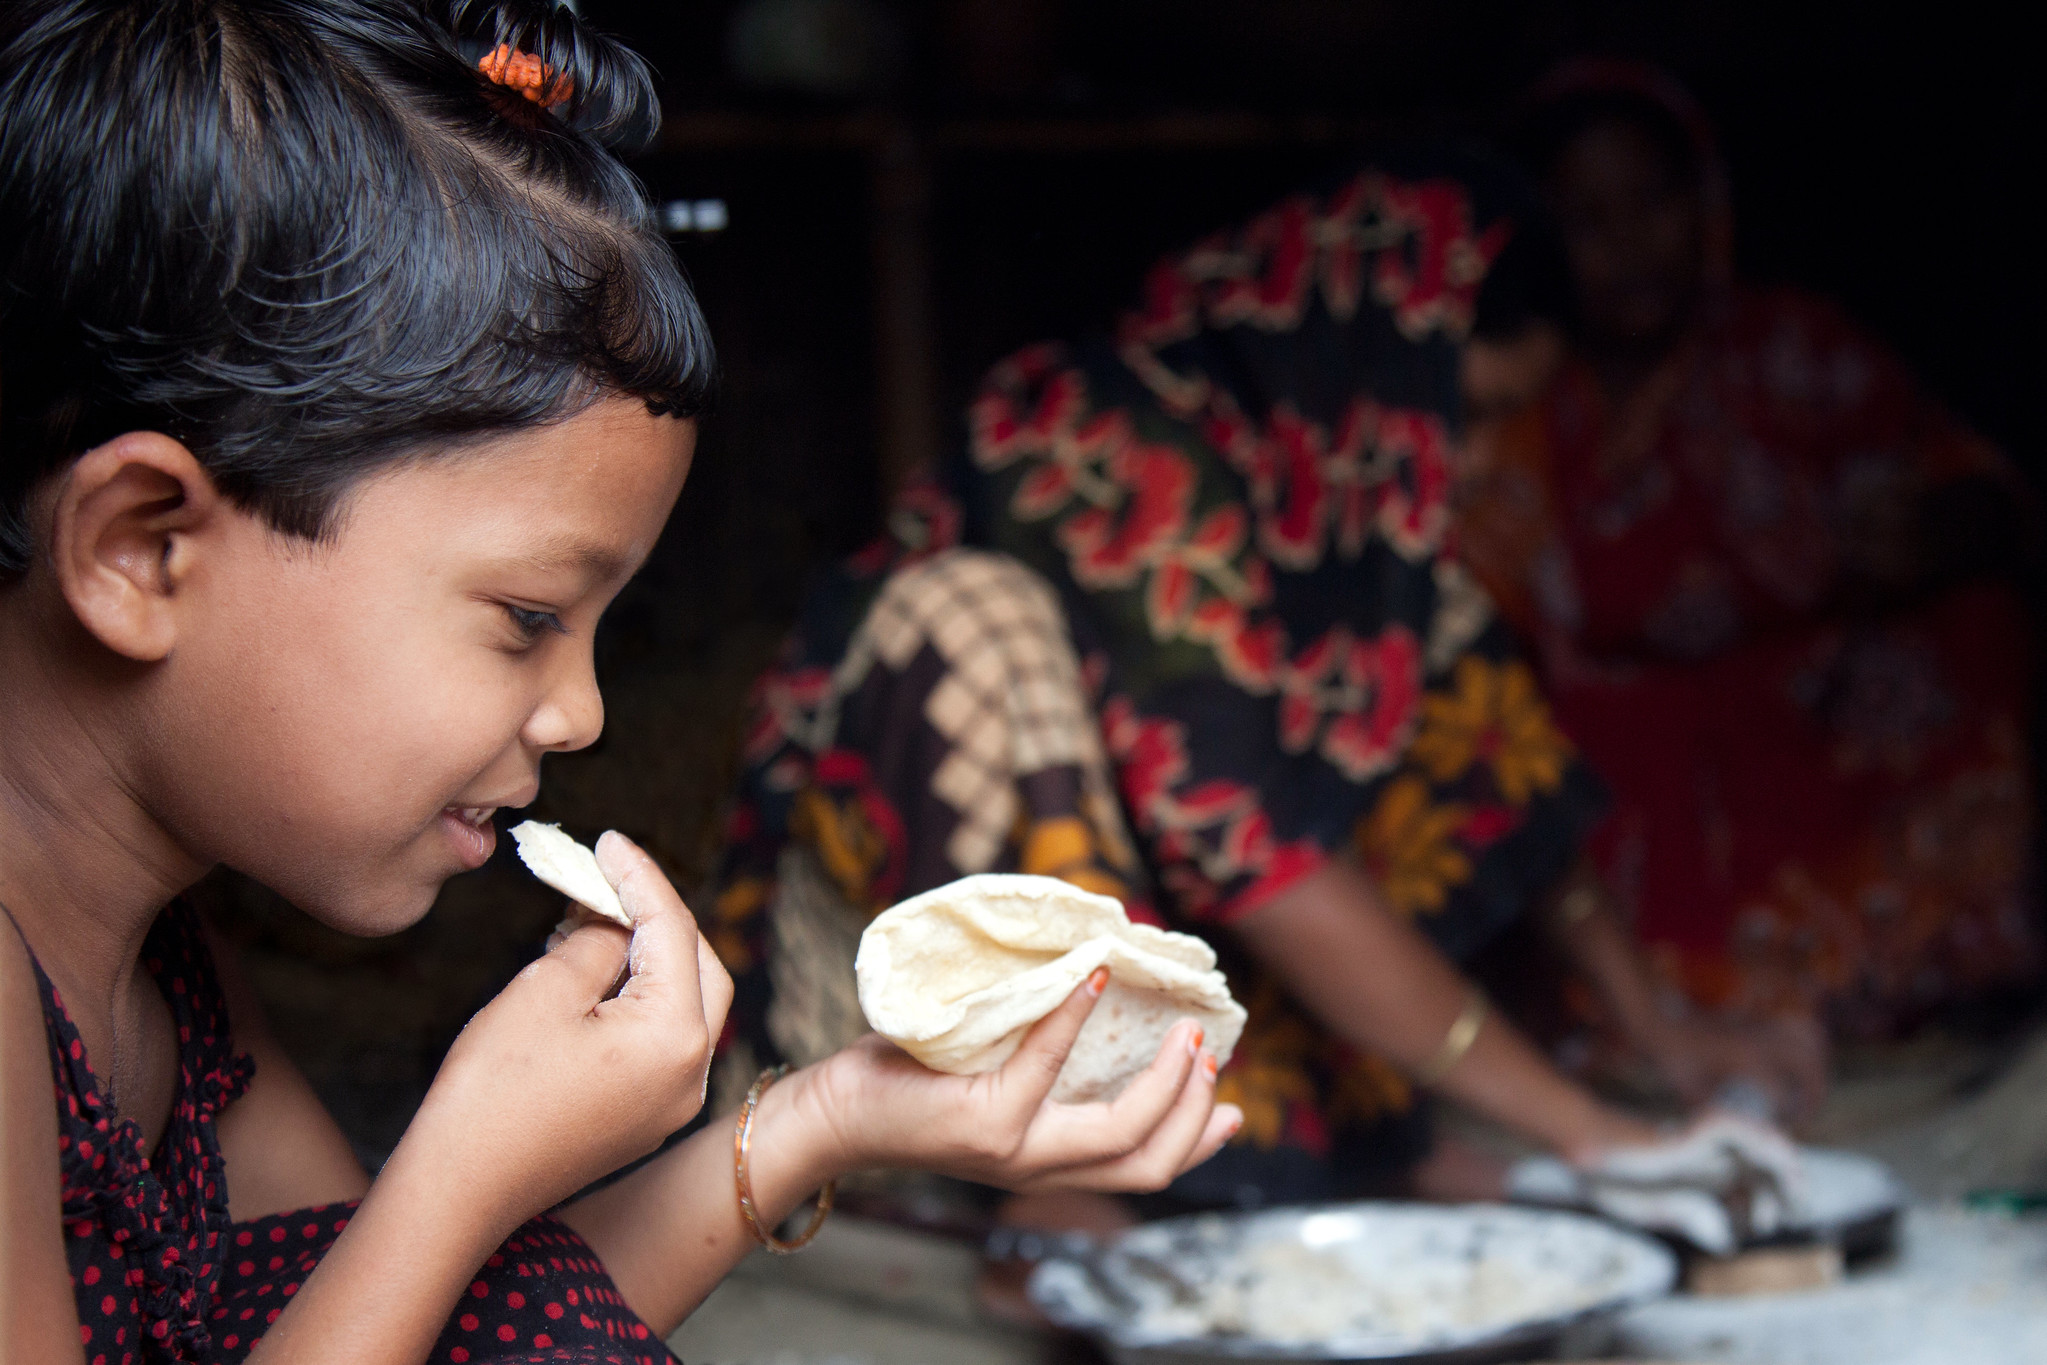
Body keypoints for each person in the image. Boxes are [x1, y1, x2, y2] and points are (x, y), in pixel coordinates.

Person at [0, 4, 1237, 1362]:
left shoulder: (172, 969)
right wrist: (461, 1171)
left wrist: (832, 1114)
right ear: (142, 550)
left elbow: (412, 1333)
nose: (582, 713)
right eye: (528, 615)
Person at [713, 146, 1803, 1231]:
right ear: (1369, 368)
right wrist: (1584, 1128)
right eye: (1461, 413)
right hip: (883, 985)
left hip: (1121, 931)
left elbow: (1495, 749)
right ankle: (1054, 1194)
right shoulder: (1103, 442)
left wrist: (1661, 1035)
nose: (1470, 462)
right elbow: (1256, 862)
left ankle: (1324, 1131)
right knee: (969, 619)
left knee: (1418, 640)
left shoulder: (1339, 506)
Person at [1456, 60, 2039, 1054]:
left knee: (1981, 634)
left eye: (1652, 202)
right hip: (1612, 741)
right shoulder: (1521, 401)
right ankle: (1632, 1019)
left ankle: (1917, 996)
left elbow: (1981, 495)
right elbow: (1471, 611)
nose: (1629, 243)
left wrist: (1924, 538)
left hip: (1806, 714)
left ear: (1705, 203)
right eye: (1588, 218)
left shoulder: (1794, 350)